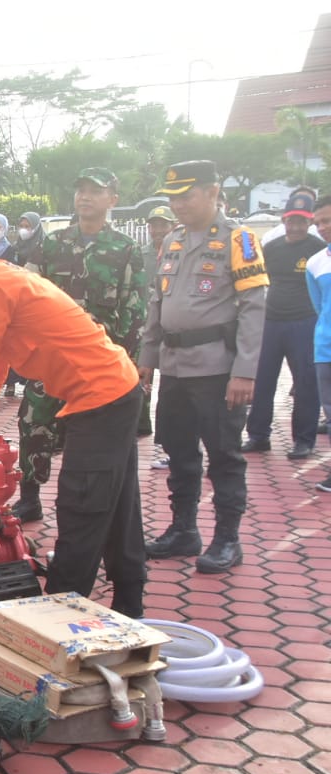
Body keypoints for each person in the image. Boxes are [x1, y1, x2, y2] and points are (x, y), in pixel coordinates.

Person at [0, 229, 147, 617]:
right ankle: (130, 605)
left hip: (102, 398)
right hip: (114, 391)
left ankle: (54, 617)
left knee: (82, 507)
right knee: (118, 505)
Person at [139, 160, 268, 575]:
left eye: (187, 196)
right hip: (175, 366)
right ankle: (184, 530)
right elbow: (157, 301)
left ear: (213, 192)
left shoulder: (239, 239)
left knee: (224, 454)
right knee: (178, 450)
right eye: (173, 197)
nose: (178, 205)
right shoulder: (172, 240)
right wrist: (147, 357)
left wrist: (245, 371)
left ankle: (228, 539)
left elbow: (253, 309)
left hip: (216, 368)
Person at [12, 167, 146, 523]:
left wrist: (130, 363)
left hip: (98, 365)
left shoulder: (126, 248)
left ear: (112, 199)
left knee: (93, 437)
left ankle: (93, 507)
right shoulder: (51, 244)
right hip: (50, 360)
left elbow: (134, 309)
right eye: (80, 190)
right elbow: (25, 294)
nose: (84, 197)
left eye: (95, 191)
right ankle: (29, 496)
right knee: (33, 424)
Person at [241, 193, 324, 460]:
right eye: (292, 221)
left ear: (310, 223)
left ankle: (304, 440)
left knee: (305, 383)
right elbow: (258, 280)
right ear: (284, 220)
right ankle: (258, 435)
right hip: (271, 321)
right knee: (262, 380)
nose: (296, 227)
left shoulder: (318, 249)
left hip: (304, 322)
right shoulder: (272, 247)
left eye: (302, 222)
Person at [139, 206, 178, 439]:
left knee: (172, 381)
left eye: (164, 225)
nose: (158, 230)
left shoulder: (179, 253)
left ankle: (170, 435)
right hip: (146, 322)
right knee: (143, 372)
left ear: (173, 226)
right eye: (154, 225)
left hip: (172, 322)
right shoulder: (140, 254)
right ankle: (141, 421)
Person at [307, 196, 331, 491]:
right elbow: (319, 305)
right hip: (325, 348)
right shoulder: (315, 263)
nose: (323, 227)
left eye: (327, 220)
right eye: (319, 223)